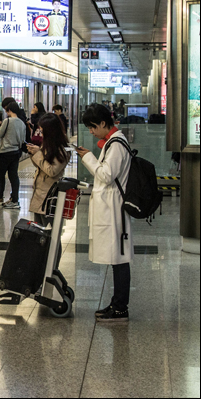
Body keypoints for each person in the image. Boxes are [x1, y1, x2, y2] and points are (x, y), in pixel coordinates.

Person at [76, 104, 132, 322]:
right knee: (115, 258)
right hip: (109, 209)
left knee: (119, 258)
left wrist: (89, 157)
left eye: (92, 127)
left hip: (114, 210)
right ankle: (117, 303)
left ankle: (120, 308)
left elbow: (107, 175)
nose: (91, 131)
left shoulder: (117, 144)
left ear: (102, 123)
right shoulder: (111, 142)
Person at [26, 113, 71, 228]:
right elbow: (40, 166)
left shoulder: (62, 149)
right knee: (38, 234)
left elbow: (51, 171)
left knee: (51, 237)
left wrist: (38, 154)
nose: (40, 132)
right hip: (40, 195)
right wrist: (33, 154)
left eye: (42, 129)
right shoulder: (47, 145)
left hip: (51, 197)